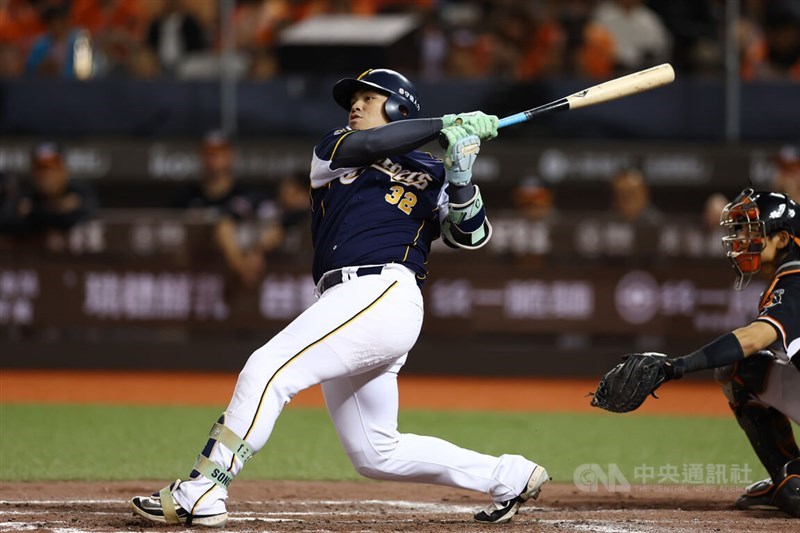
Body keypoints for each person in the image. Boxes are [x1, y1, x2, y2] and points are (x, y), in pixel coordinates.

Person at [131, 68, 549, 527]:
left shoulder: (434, 173)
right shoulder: (336, 149)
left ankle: (203, 489)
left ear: (398, 107)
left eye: (370, 98)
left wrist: (462, 175)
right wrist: (445, 124)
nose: (355, 105)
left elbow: (471, 237)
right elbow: (371, 145)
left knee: (268, 370)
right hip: (348, 299)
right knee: (376, 452)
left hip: (384, 290)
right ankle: (506, 474)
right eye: (355, 98)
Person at [598, 188, 799, 517]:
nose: (743, 238)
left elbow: (753, 338)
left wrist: (675, 367)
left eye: (754, 229)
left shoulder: (796, 280)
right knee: (741, 369)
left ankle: (791, 480)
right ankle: (787, 472)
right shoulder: (790, 277)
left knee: (796, 496)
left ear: (782, 239)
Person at [171, 130, 267, 288]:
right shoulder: (185, 196)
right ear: (201, 156)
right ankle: (245, 272)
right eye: (209, 154)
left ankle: (244, 273)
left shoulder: (246, 193)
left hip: (232, 273)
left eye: (219, 153)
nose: (214, 160)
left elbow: (272, 224)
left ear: (231, 155)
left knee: (224, 225)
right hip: (196, 272)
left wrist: (255, 250)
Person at [11, 141, 97, 251]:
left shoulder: (79, 190)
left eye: (52, 166)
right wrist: (56, 208)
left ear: (64, 170)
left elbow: (75, 216)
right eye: (40, 167)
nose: (46, 174)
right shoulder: (25, 194)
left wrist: (34, 211)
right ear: (32, 171)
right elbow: (10, 222)